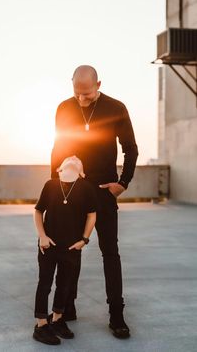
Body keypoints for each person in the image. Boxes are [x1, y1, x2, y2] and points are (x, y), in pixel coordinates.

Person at [51, 65, 138, 339]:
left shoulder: (116, 107)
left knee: (110, 252)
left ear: (98, 84)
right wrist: (55, 189)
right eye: (77, 93)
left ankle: (116, 315)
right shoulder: (64, 108)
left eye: (87, 94)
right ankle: (67, 307)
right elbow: (59, 147)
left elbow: (131, 147)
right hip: (72, 191)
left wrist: (122, 183)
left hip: (103, 191)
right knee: (68, 250)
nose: (81, 99)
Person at [33, 155, 97, 346]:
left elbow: (91, 215)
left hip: (71, 247)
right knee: (45, 283)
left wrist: (84, 239)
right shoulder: (50, 185)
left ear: (81, 173)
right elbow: (38, 211)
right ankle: (41, 325)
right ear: (60, 170)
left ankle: (58, 319)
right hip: (48, 245)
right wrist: (42, 236)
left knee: (64, 284)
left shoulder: (86, 188)